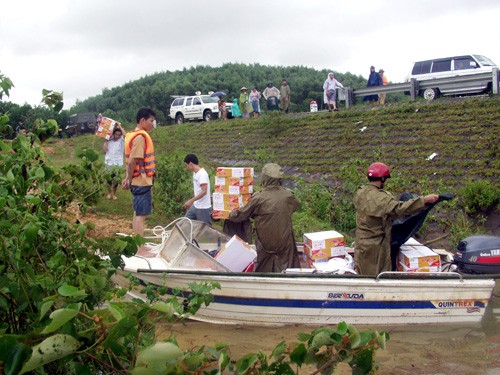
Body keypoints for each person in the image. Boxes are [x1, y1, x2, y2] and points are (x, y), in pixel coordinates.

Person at [353, 162, 439, 276]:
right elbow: (400, 209)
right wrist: (424, 200)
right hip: (376, 247)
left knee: (362, 271)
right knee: (378, 276)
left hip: (361, 242)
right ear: (382, 178)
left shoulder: (360, 192)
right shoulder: (381, 198)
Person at [217, 163, 300, 272]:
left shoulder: (259, 197)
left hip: (265, 240)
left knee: (264, 267)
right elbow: (297, 205)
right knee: (286, 265)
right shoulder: (288, 196)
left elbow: (241, 214)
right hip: (285, 240)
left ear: (265, 178)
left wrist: (225, 213)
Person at [122, 108, 157, 237]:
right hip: (141, 182)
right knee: (141, 216)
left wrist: (127, 178)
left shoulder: (132, 135)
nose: (152, 124)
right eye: (151, 121)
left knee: (137, 213)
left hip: (138, 181)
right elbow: (132, 161)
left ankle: (137, 245)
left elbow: (130, 163)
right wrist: (129, 179)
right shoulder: (140, 137)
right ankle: (139, 248)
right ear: (142, 120)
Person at [183, 154, 212, 225]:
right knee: (185, 223)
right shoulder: (195, 173)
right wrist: (193, 202)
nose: (186, 167)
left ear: (190, 164)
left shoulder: (202, 174)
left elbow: (204, 191)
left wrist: (190, 201)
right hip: (196, 205)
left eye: (186, 165)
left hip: (203, 207)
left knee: (206, 229)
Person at [103, 124, 125, 200]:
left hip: (117, 163)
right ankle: (109, 193)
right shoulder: (109, 141)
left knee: (116, 179)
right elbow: (104, 151)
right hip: (109, 162)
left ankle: (114, 194)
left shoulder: (122, 141)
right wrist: (114, 128)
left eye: (119, 135)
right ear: (113, 134)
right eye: (116, 134)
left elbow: (125, 135)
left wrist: (119, 126)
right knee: (108, 179)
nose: (117, 136)